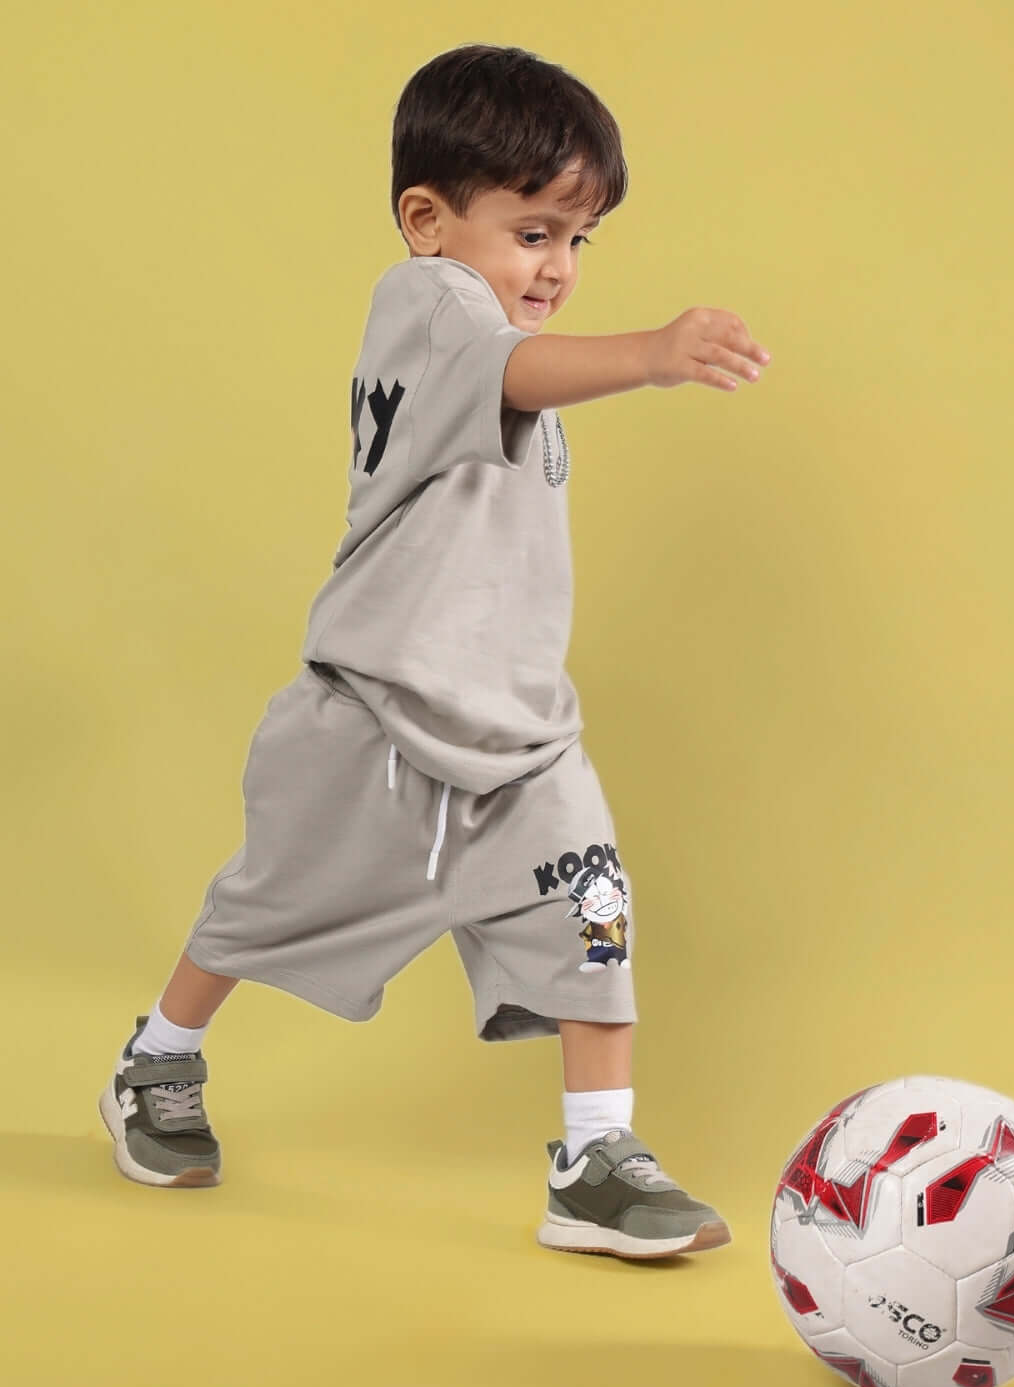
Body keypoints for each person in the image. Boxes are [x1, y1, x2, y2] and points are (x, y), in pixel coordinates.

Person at [99, 43, 771, 1260]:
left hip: (522, 736)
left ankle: (597, 1158)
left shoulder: (501, 339)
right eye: (534, 233)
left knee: (598, 920)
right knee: (265, 904)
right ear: (428, 221)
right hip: (377, 715)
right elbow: (514, 367)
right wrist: (651, 353)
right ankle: (158, 1058)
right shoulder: (429, 308)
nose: (558, 267)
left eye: (580, 239)